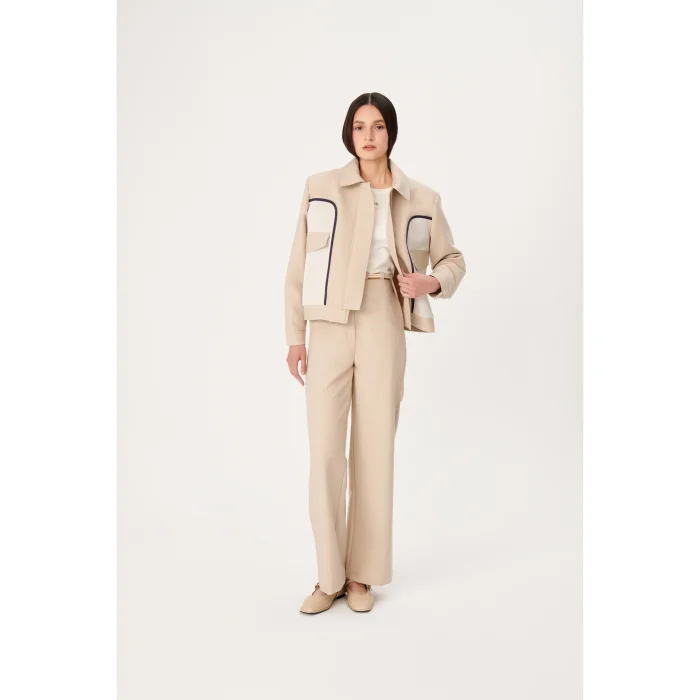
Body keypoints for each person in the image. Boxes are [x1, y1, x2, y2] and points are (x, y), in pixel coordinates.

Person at [284, 92, 466, 614]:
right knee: (324, 452)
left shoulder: (421, 197)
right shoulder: (320, 188)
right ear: (349, 133)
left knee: (374, 450)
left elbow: (453, 259)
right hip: (328, 325)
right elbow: (296, 267)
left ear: (391, 133)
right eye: (360, 126)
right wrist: (295, 336)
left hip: (383, 318)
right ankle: (328, 577)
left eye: (378, 126)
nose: (368, 135)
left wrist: (430, 281)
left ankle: (361, 575)